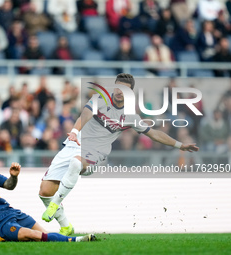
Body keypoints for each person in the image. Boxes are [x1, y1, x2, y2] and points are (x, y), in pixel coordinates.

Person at [39, 73, 199, 236]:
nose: (120, 91)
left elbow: (154, 134)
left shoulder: (130, 116)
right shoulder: (99, 99)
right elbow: (85, 115)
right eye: (118, 86)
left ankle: (56, 204)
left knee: (76, 163)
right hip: (75, 142)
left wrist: (180, 145)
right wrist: (74, 131)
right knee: (44, 192)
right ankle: (66, 226)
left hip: (96, 152)